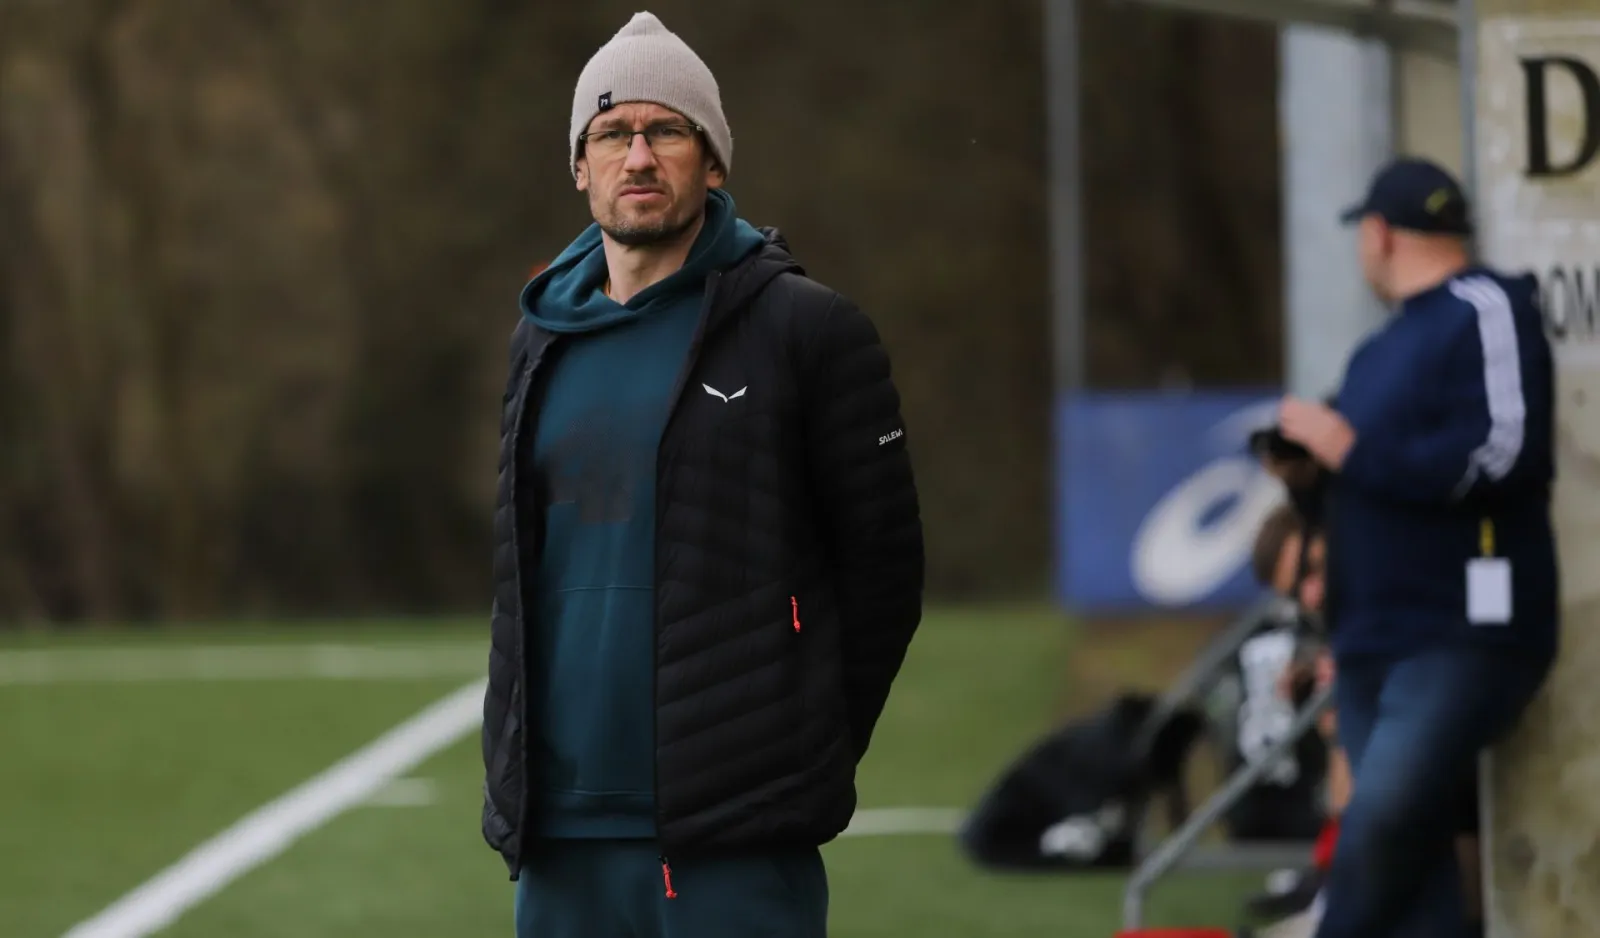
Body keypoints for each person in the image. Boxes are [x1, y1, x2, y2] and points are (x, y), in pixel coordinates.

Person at [478, 13, 925, 938]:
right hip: (561, 830)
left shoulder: (807, 329)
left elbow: (884, 573)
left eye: (666, 131)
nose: (638, 156)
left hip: (735, 837)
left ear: (712, 161)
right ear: (580, 166)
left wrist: (792, 751)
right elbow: (520, 577)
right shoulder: (539, 340)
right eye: (612, 133)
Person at [1274, 156, 1557, 938]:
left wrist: (1350, 449)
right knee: (1413, 875)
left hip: (1457, 632)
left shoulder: (1487, 305)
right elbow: (1366, 488)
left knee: (1382, 825)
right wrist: (1309, 479)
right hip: (1370, 639)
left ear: (1379, 234)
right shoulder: (1377, 353)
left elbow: (1506, 450)